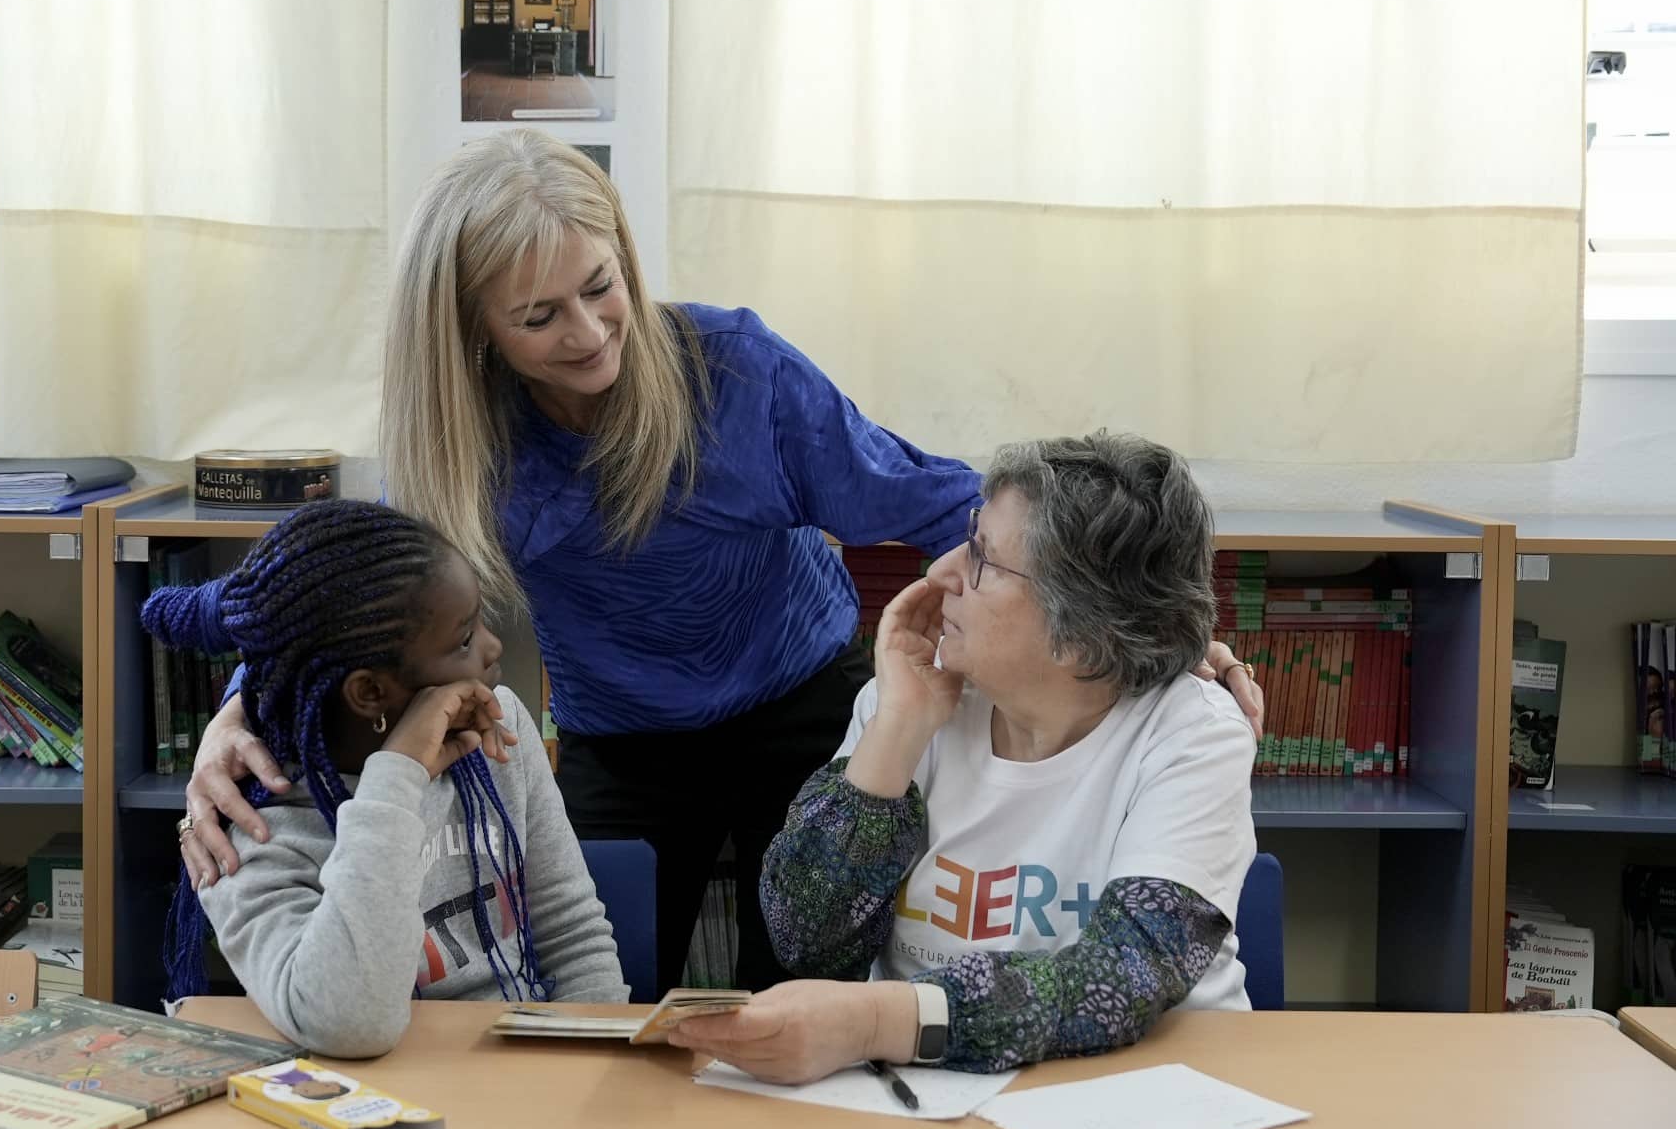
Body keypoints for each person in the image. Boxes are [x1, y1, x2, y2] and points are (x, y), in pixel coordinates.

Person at [178, 130, 1265, 995]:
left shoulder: (737, 377)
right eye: (539, 316)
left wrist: (1150, 637)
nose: (591, 332)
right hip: (620, 736)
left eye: (601, 286)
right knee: (582, 984)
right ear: (475, 333)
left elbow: (945, 504)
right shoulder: (464, 439)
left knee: (799, 974)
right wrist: (243, 710)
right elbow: (346, 597)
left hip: (799, 704)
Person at [673, 434, 1254, 1081]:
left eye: (983, 558)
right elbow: (807, 944)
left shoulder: (1191, 732)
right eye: (968, 535)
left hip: (1149, 1091)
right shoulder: (907, 698)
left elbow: (1119, 978)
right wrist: (898, 730)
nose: (940, 573)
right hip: (926, 1096)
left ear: (1083, 641)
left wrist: (874, 1020)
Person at [152, 499, 625, 1057]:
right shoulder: (248, 833)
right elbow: (351, 1023)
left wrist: (596, 1074)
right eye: (465, 640)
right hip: (367, 1104)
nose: (495, 649)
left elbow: (572, 935)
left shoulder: (498, 729)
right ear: (370, 693)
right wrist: (397, 777)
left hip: (526, 1080)